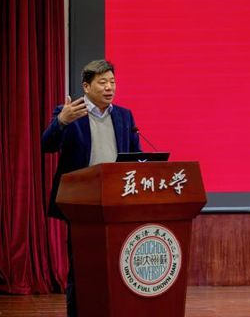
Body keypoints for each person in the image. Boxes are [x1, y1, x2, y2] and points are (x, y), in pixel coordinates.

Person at [41, 59, 141, 316]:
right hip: (81, 203)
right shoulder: (70, 113)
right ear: (86, 86)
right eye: (102, 82)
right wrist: (61, 122)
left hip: (117, 201)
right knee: (82, 266)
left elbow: (136, 155)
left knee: (118, 263)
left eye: (112, 82)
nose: (109, 87)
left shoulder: (124, 116)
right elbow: (47, 145)